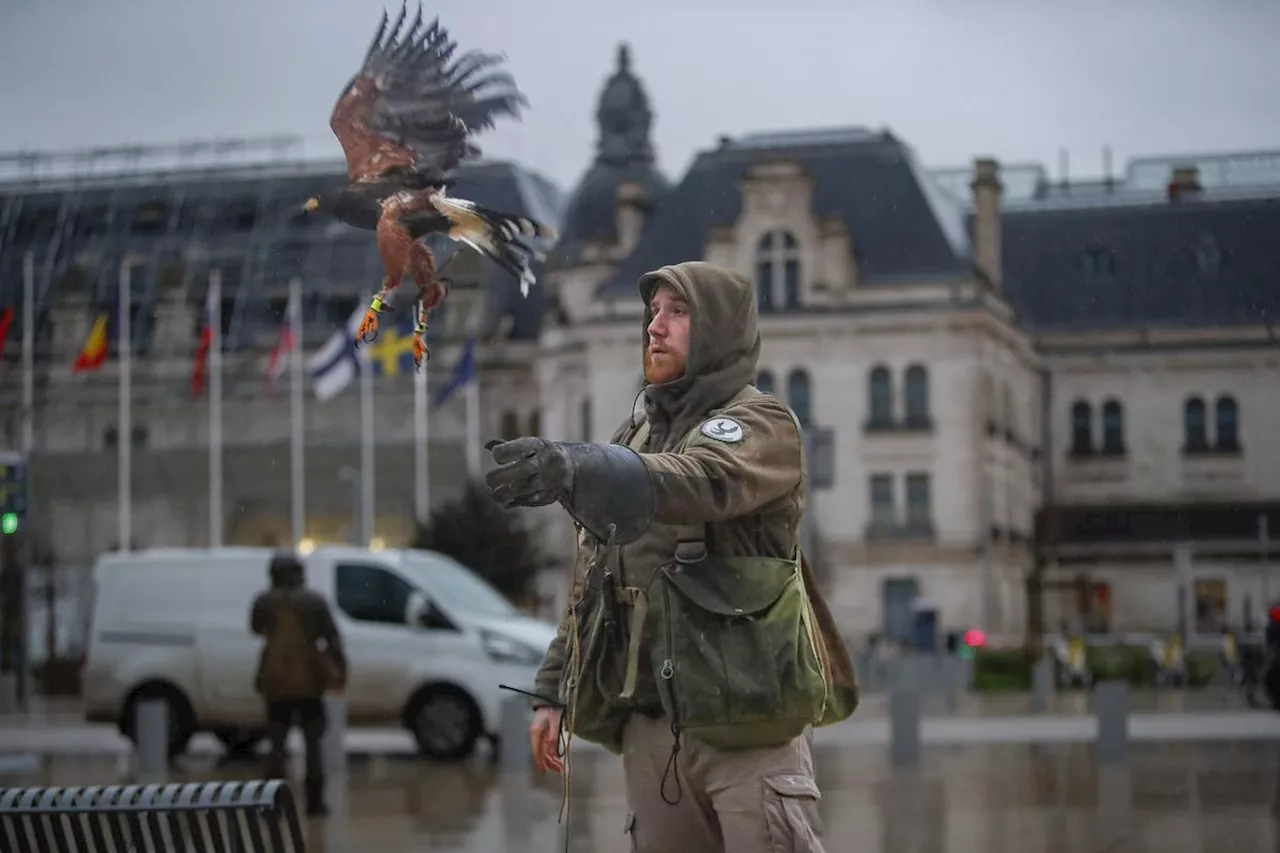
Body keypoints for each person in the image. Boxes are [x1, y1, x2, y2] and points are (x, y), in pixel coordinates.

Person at [484, 261, 858, 853]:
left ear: (719, 329)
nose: (655, 327)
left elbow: (705, 479)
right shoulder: (633, 439)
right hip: (653, 726)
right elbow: (593, 580)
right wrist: (554, 690)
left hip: (748, 723)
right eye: (653, 312)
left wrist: (584, 466)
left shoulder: (760, 424)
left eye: (677, 312)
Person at [250, 551, 348, 817]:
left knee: (277, 745)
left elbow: (256, 629)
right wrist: (340, 671)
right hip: (309, 682)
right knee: (313, 745)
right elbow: (333, 638)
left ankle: (273, 804)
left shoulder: (264, 602)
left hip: (276, 681)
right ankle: (315, 804)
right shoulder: (314, 601)